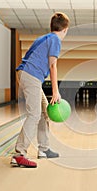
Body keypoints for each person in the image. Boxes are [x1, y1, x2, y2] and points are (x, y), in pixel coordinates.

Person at [11, 12, 70, 168]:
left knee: (44, 111)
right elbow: (53, 65)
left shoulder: (43, 38)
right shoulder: (56, 40)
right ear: (65, 29)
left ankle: (43, 149)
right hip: (31, 76)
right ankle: (19, 154)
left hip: (27, 74)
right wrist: (56, 91)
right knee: (34, 114)